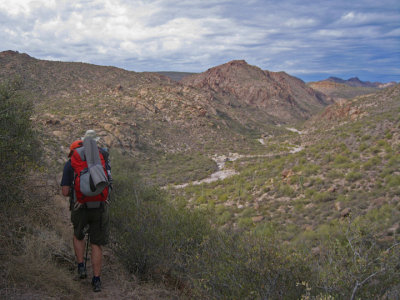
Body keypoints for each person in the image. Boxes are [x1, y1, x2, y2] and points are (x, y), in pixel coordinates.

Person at [60, 130, 111, 293]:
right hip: (99, 206)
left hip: (79, 206)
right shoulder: (102, 158)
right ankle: (96, 280)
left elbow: (65, 192)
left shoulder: (71, 162)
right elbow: (107, 182)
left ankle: (81, 267)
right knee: (96, 243)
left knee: (78, 235)